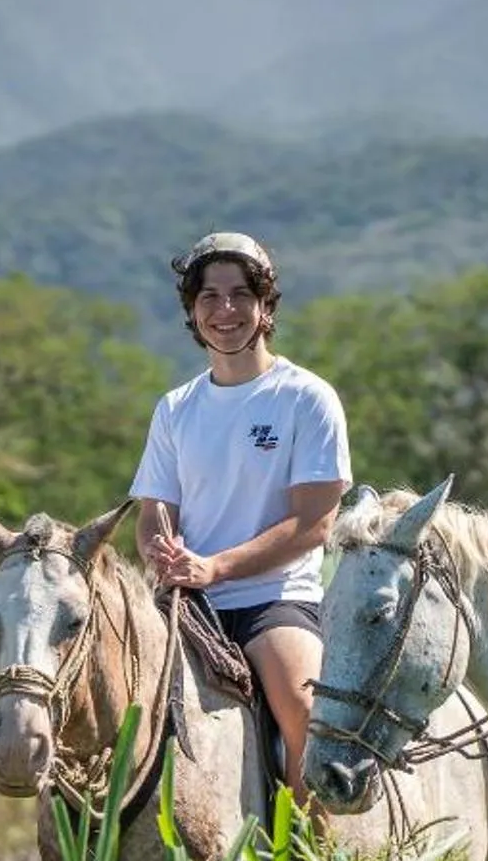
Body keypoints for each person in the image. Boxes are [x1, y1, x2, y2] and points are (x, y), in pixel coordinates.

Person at [131, 232, 350, 799]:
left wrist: (218, 567)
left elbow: (314, 523)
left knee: (304, 709)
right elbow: (154, 508)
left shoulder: (306, 397)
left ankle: (312, 854)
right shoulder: (176, 407)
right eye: (208, 297)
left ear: (265, 306)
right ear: (191, 310)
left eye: (239, 295)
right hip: (186, 603)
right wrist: (162, 551)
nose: (224, 310)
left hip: (274, 601)